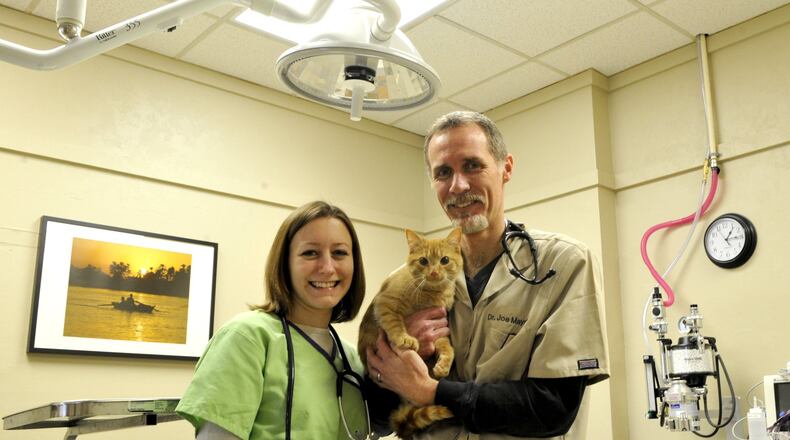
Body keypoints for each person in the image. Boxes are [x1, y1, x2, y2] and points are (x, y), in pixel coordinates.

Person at [365, 111, 610, 439]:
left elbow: (552, 408)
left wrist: (431, 391)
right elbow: (378, 417)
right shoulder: (408, 282)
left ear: (506, 168)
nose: (458, 186)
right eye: (443, 172)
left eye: (472, 165)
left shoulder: (563, 263)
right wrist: (404, 351)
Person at [176, 201, 369, 439]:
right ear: (284, 263)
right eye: (310, 253)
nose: (327, 267)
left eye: (339, 253)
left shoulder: (354, 360)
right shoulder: (246, 338)